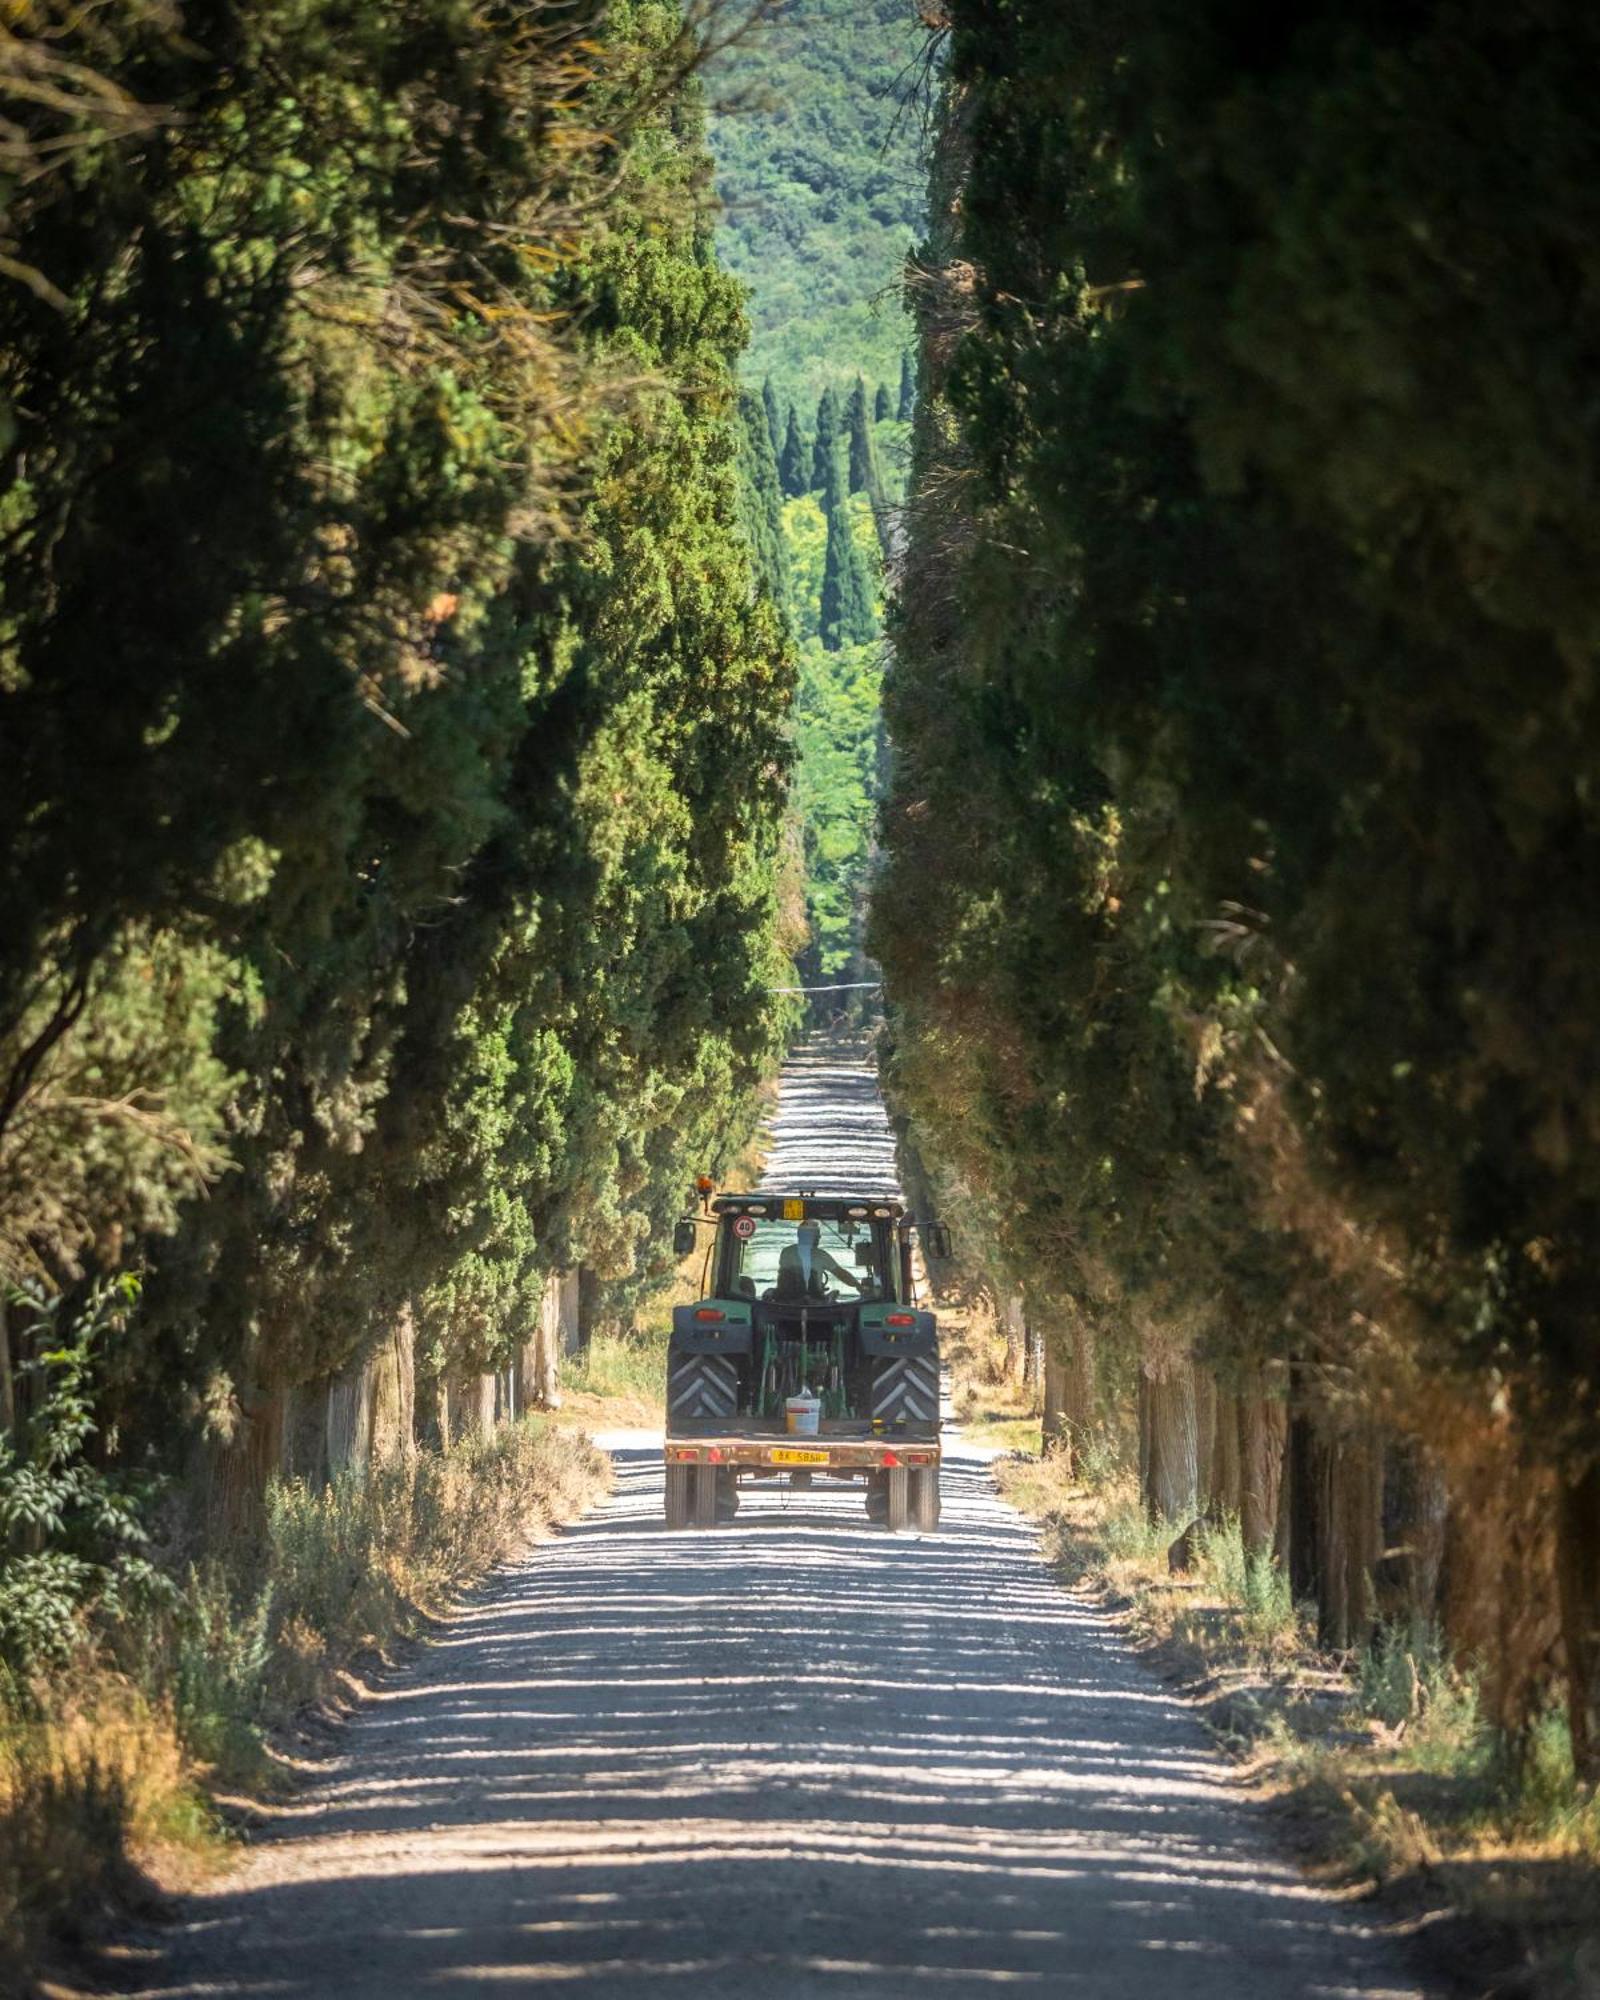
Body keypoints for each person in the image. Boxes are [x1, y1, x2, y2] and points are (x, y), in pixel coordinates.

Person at [773, 1220, 859, 1300]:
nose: (820, 1237)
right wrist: (858, 1285)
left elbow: (785, 1277)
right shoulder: (820, 1255)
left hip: (786, 1298)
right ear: (811, 1236)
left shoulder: (787, 1252)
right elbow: (841, 1274)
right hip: (814, 1298)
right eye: (817, 1234)